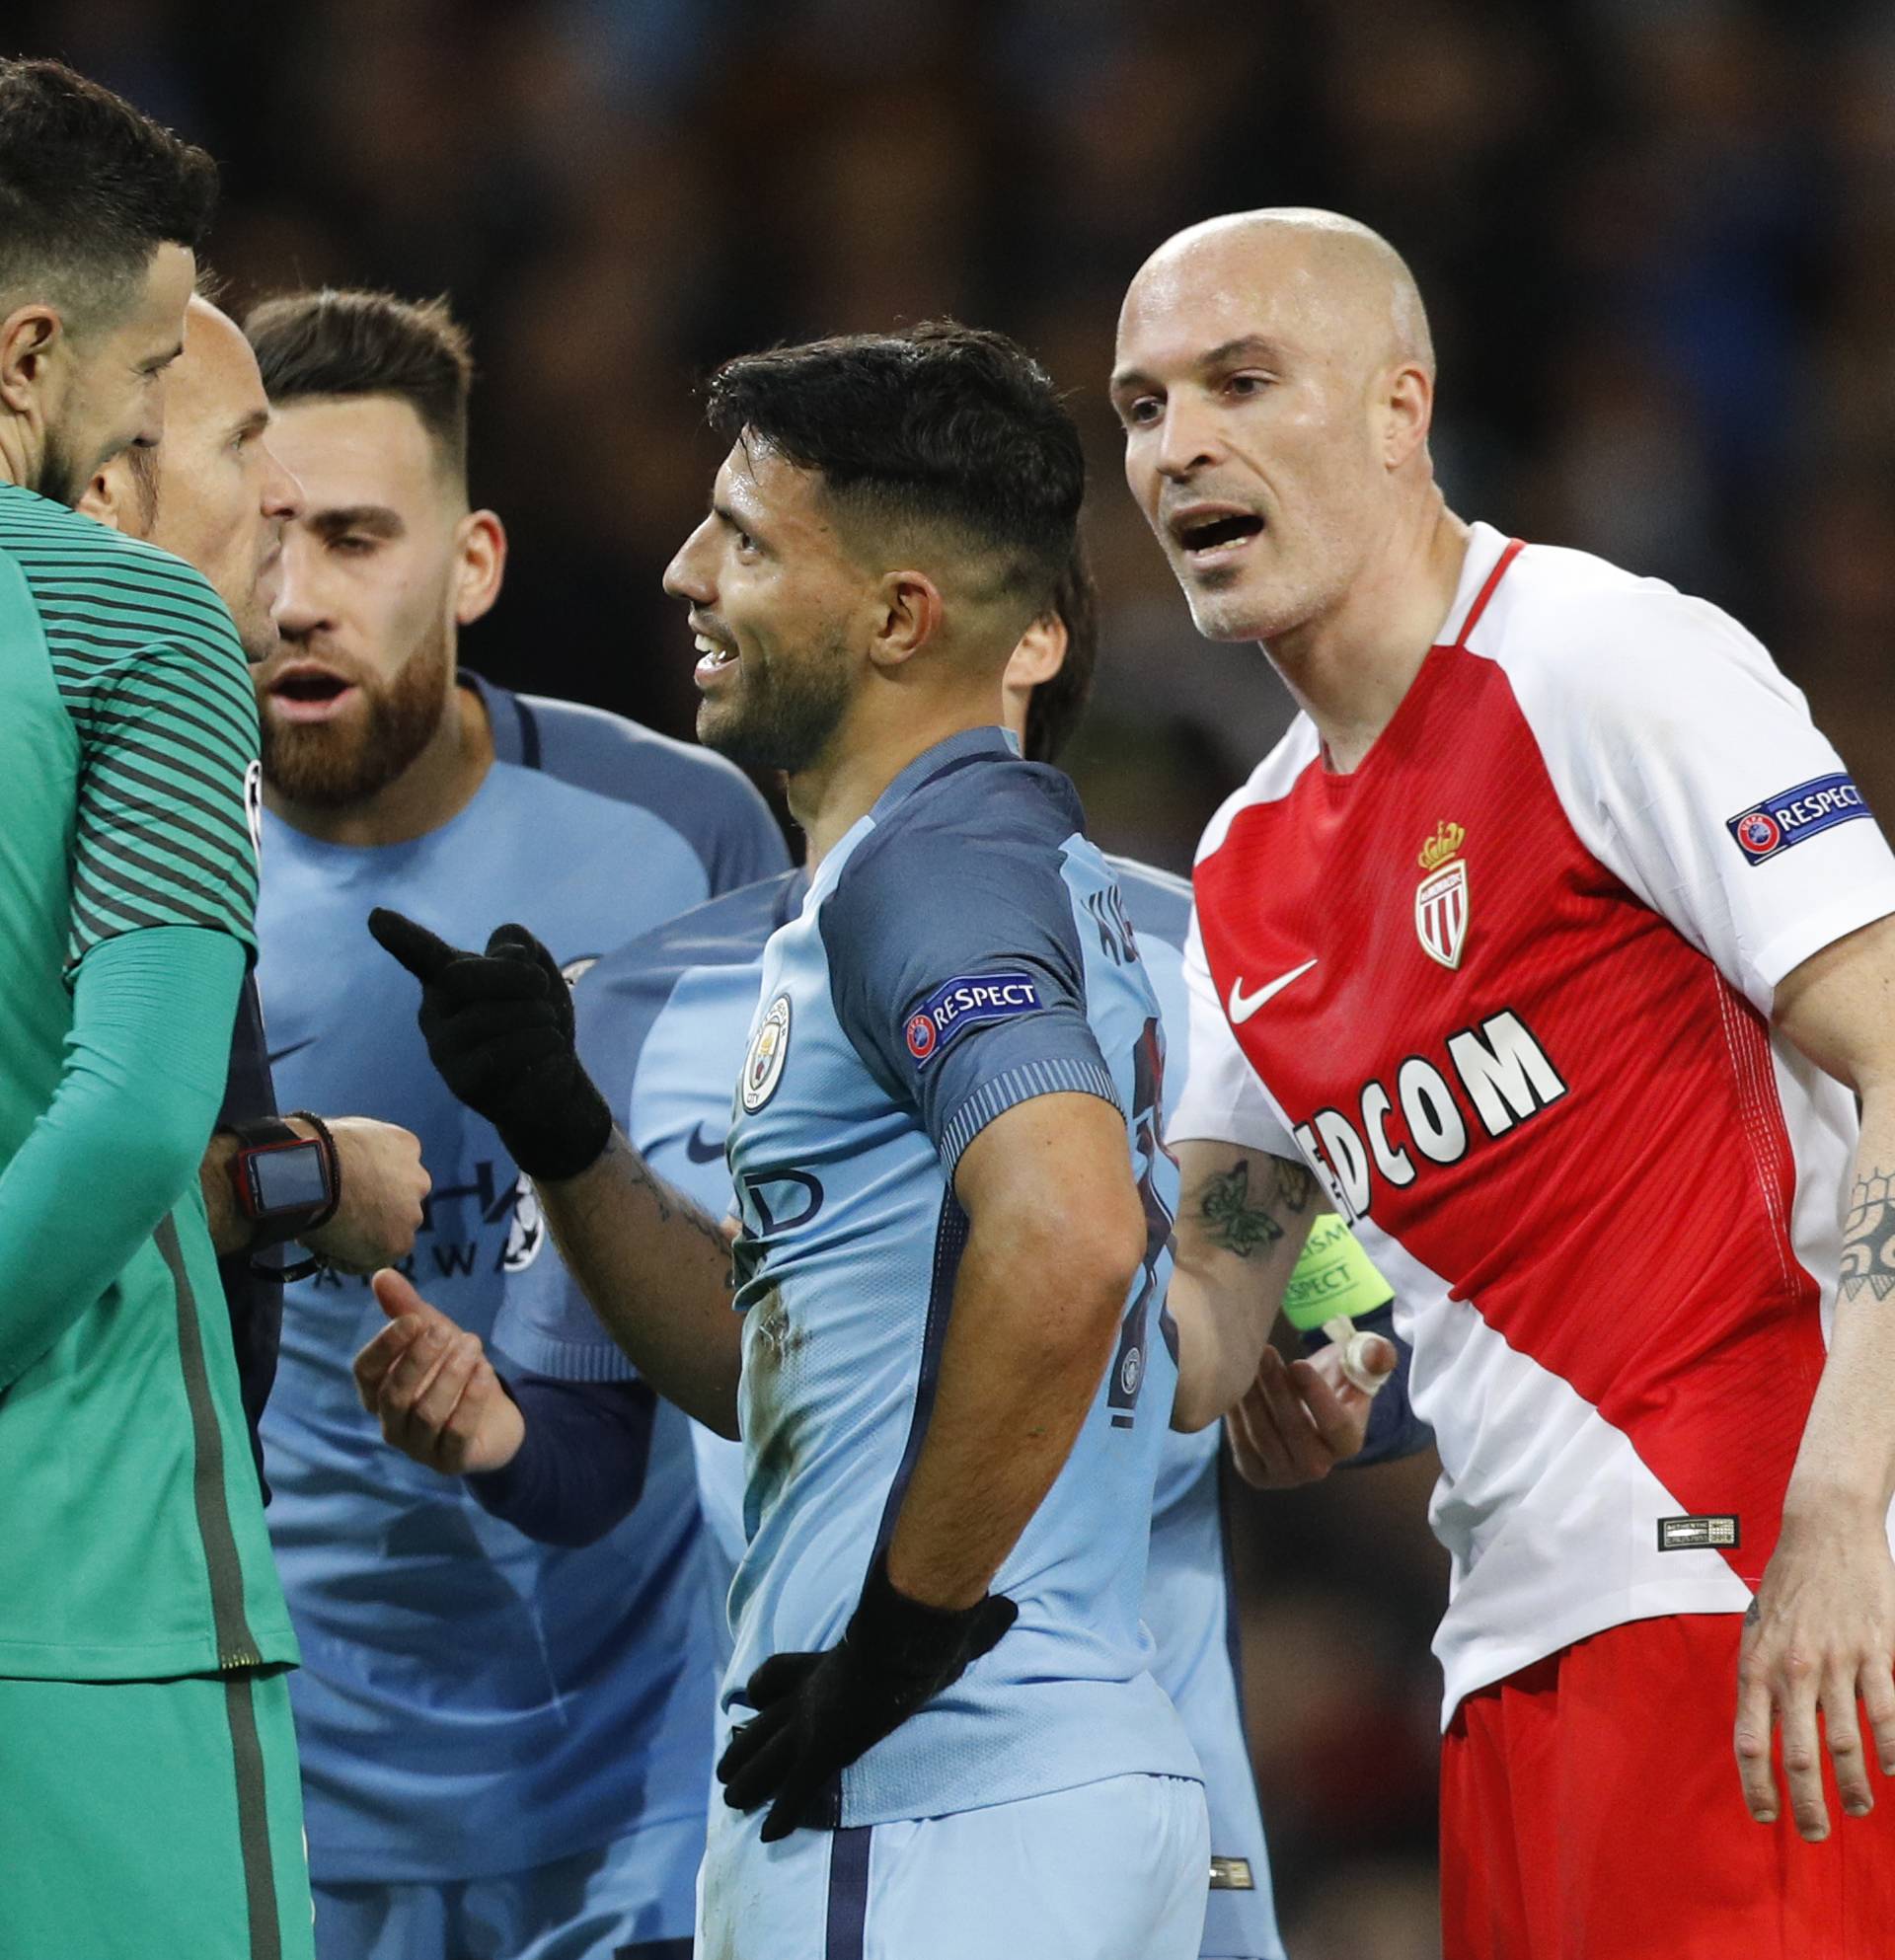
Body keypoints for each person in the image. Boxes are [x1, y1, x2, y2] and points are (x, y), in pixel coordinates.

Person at [357, 548, 1421, 1960]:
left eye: (758, 544)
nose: (695, 582)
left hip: (1060, 1771)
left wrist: (1330, 1393)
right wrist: (492, 1431)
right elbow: (595, 1455)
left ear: (1016, 639)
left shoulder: (1210, 954)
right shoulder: (633, 1008)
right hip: (821, 1759)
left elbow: (1369, 1348)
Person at [1112, 205, 1895, 1958]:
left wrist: (1851, 1508)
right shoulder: (1239, 870)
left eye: (1244, 382)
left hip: (1753, 1593)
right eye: (1145, 408)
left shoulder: (1605, 661)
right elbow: (1247, 1255)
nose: (1183, 448)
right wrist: (1295, 1353)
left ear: (1403, 409)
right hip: (1507, 1654)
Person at [240, 287, 790, 1960]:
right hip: (279, 1770)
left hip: (638, 1777)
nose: (294, 598)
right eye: (262, 538)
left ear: (471, 565)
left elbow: (779, 1263)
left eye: (353, 538)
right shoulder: (136, 852)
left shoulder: (681, 827)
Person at [0, 57, 313, 1960]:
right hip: (89, 1597)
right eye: (139, 389)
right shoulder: (126, 620)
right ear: (30, 352)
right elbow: (127, 1114)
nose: (132, 460)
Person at [79, 291, 432, 1503]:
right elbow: (63, 1191)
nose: (281, 491)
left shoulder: (120, 744)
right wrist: (306, 1179)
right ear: (103, 496)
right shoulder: (80, 759)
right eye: (239, 441)